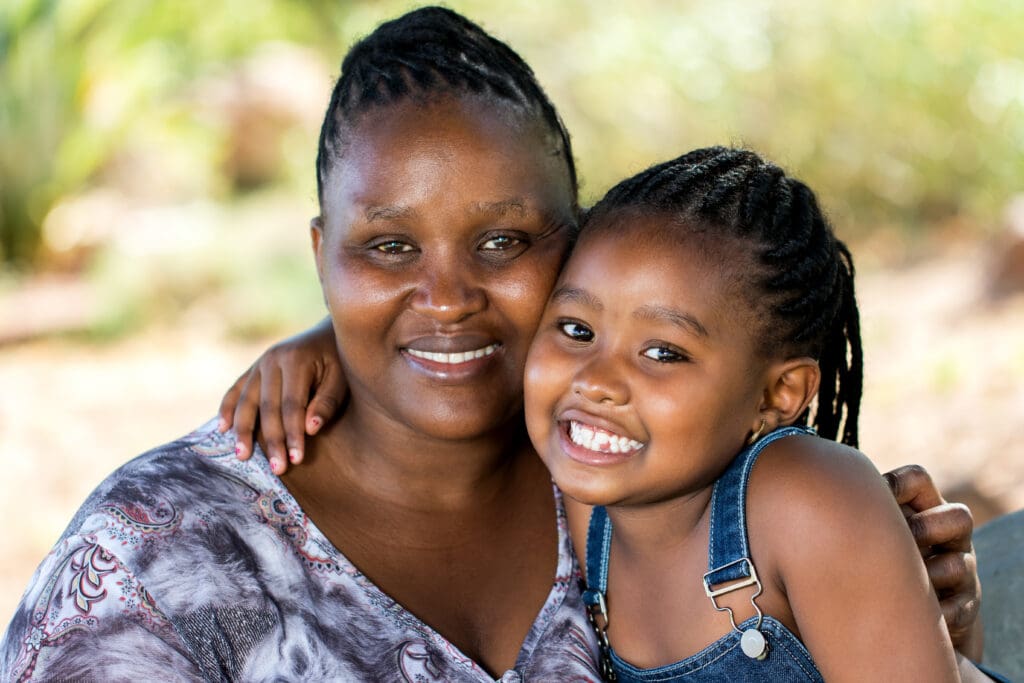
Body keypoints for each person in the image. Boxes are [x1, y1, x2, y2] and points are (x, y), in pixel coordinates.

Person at [1, 7, 988, 682]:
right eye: (387, 247)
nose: (446, 297)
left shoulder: (616, 471)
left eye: (506, 241)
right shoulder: (153, 560)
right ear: (321, 257)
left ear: (577, 243)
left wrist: (915, 612)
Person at [522, 145, 953, 680]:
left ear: (778, 395)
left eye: (663, 353)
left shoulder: (805, 498)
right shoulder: (589, 518)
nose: (595, 382)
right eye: (576, 329)